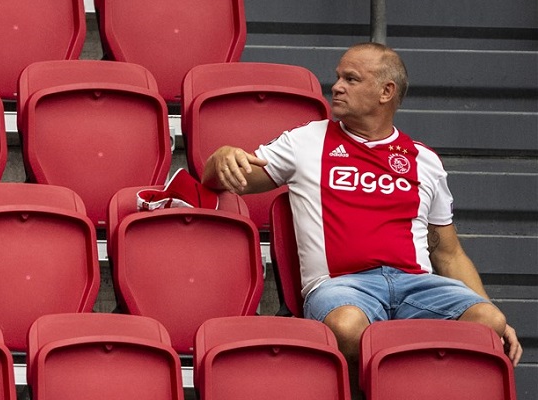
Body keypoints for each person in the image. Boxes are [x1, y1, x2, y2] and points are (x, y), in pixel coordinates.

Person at [202, 43, 522, 388]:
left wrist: (493, 314)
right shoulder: (306, 141)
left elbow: (448, 252)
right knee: (347, 326)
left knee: (487, 321)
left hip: (415, 284)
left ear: (386, 91)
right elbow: (233, 180)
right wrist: (218, 159)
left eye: (351, 79)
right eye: (338, 77)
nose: (336, 86)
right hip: (342, 286)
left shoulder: (424, 160)